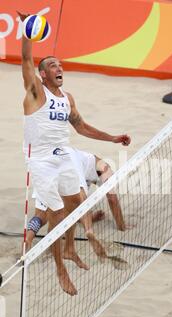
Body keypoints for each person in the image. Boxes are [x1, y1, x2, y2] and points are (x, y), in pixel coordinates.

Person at [18, 11, 131, 296]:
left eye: (60, 64)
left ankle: (69, 249)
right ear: (43, 74)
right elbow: (25, 61)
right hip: (41, 159)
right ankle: (60, 268)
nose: (59, 67)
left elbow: (82, 127)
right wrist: (26, 30)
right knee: (54, 213)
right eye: (52, 65)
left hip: (64, 154)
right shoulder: (35, 93)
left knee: (78, 207)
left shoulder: (67, 98)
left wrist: (113, 138)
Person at [26, 147, 131, 250]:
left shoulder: (84, 159)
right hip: (68, 169)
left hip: (46, 168)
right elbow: (112, 199)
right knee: (77, 205)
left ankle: (28, 238)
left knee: (40, 215)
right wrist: (122, 226)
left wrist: (92, 217)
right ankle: (88, 230)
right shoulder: (104, 168)